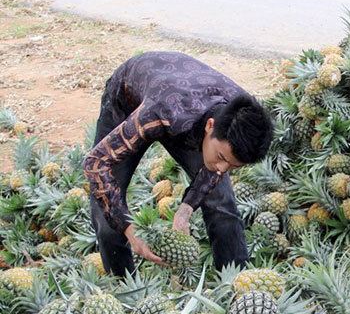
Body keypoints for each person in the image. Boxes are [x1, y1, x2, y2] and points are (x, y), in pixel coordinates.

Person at [83, 51, 273, 276]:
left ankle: (236, 281)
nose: (223, 169)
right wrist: (130, 230)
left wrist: (185, 211)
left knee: (221, 201)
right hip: (131, 98)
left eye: (233, 166)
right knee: (105, 210)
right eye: (222, 158)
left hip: (188, 109)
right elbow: (95, 164)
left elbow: (218, 166)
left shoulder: (241, 115)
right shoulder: (161, 113)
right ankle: (122, 285)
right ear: (210, 127)